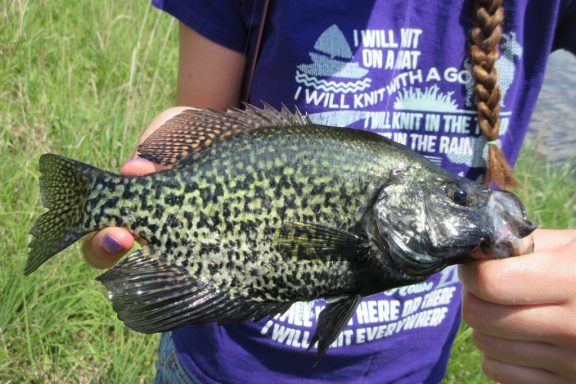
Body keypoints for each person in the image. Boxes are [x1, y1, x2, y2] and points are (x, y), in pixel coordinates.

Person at [83, 1, 576, 383]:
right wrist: (147, 185)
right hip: (221, 363)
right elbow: (198, 116)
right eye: (455, 198)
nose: (469, 206)